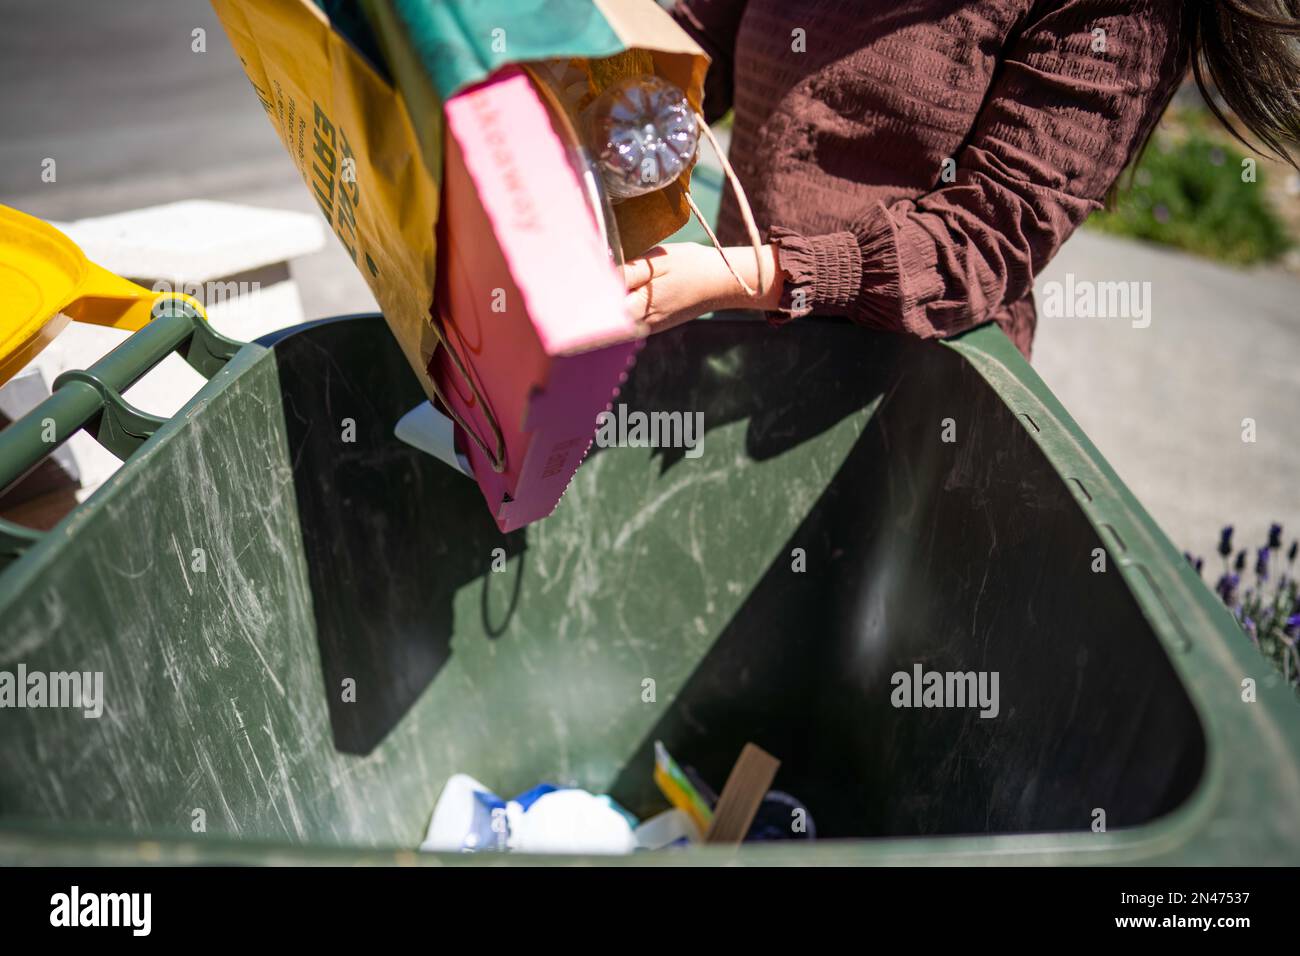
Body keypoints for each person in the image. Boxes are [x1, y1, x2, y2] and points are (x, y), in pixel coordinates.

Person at [622, 0, 1300, 359]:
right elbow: (694, 54)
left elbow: (985, 239)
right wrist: (586, 100)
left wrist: (739, 279)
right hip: (750, 348)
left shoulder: (1120, 14)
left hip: (904, 401)